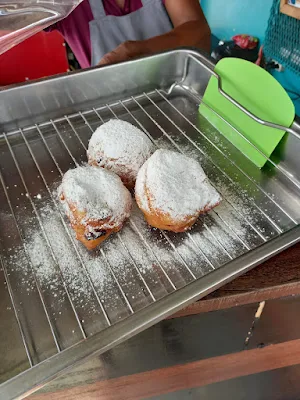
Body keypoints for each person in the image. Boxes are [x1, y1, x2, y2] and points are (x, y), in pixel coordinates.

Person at [48, 0, 210, 69]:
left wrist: (145, 49)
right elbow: (23, 16)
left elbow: (199, 32)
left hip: (177, 95)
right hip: (111, 113)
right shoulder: (64, 4)